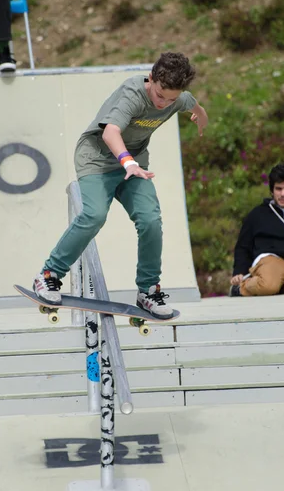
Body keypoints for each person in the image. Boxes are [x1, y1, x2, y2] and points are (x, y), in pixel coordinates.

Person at [33, 52, 209, 319]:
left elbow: (193, 105)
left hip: (133, 163)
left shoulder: (177, 98)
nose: (164, 104)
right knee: (94, 216)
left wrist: (201, 118)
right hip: (97, 159)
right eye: (160, 95)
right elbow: (110, 131)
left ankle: (148, 290)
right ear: (151, 79)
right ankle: (49, 274)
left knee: (150, 220)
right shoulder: (133, 93)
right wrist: (128, 163)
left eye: (171, 99)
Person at [230, 163, 284, 297]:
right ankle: (242, 288)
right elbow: (243, 247)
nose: (283, 194)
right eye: (278, 189)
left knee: (274, 286)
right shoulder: (257, 214)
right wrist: (239, 272)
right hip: (271, 261)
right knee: (268, 285)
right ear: (272, 191)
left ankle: (279, 287)